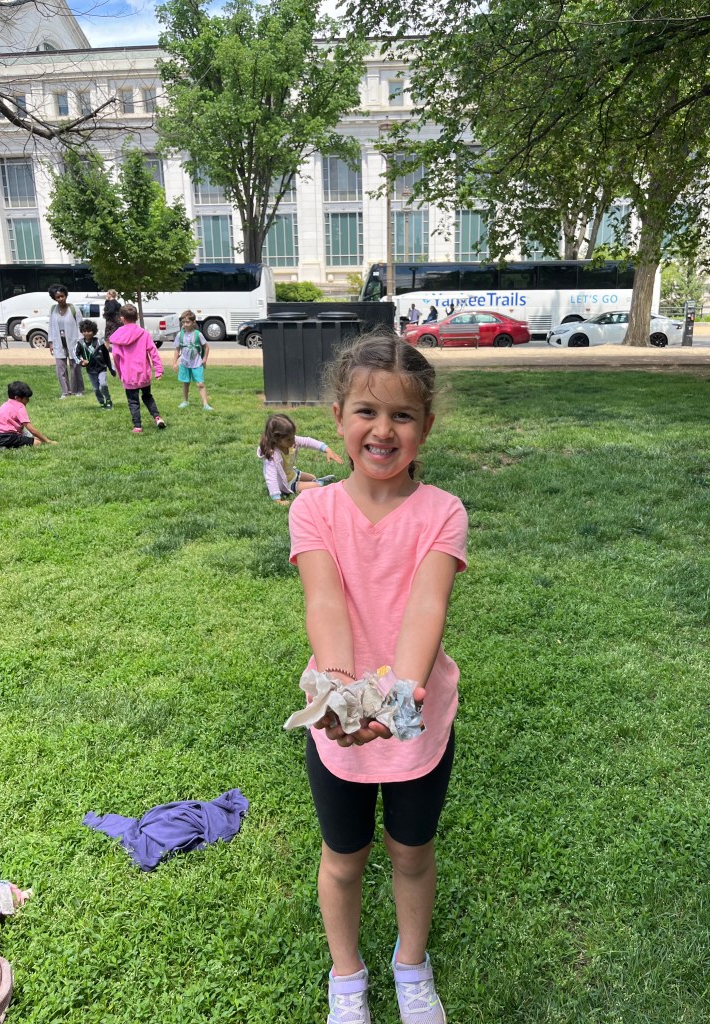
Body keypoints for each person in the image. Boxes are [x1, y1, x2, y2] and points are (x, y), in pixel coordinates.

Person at [288, 333, 467, 1024]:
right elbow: (325, 601)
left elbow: (427, 606)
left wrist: (398, 702)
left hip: (416, 716)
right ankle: (347, 976)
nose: (383, 430)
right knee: (344, 857)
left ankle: (411, 965)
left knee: (410, 853)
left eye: (402, 415)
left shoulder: (443, 511)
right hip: (338, 723)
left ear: (427, 426)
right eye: (367, 411)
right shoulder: (313, 509)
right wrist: (338, 690)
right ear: (338, 418)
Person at [258, 414, 343, 505]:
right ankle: (319, 483)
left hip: (292, 474)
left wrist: (327, 449)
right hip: (286, 483)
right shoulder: (273, 456)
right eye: (289, 439)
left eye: (293, 437)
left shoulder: (291, 441)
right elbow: (271, 477)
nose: (293, 441)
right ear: (276, 439)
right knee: (316, 486)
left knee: (312, 477)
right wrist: (276, 498)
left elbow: (308, 441)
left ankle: (316, 481)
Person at [109, 304, 166, 434]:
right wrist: (158, 370)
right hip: (143, 373)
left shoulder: (118, 336)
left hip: (128, 374)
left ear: (122, 318)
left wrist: (120, 372)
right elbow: (153, 352)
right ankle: (157, 417)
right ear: (137, 317)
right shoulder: (143, 334)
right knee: (147, 396)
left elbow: (116, 357)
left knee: (133, 401)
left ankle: (138, 426)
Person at [48, 285, 84, 399]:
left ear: (66, 295)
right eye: (58, 297)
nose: (60, 299)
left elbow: (80, 327)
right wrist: (50, 342)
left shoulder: (73, 309)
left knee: (75, 366)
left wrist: (81, 342)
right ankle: (65, 391)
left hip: (73, 341)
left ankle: (78, 390)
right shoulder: (53, 310)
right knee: (60, 368)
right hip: (58, 342)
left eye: (62, 296)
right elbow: (51, 326)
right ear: (54, 298)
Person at [173, 310, 212, 411]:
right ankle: (185, 401)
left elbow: (206, 347)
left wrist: (204, 359)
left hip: (197, 363)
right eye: (183, 322)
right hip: (184, 363)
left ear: (193, 322)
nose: (185, 324)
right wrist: (174, 362)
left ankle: (205, 404)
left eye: (187, 322)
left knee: (200, 384)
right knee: (185, 382)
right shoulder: (180, 335)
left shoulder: (198, 334)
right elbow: (177, 349)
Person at [0, 381, 56, 447]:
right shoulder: (19, 407)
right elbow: (31, 429)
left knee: (30, 438)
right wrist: (48, 441)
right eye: (26, 398)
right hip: (9, 437)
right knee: (37, 442)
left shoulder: (5, 405)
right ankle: (3, 446)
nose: (28, 400)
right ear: (17, 398)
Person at [75, 320, 116, 410]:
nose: (87, 333)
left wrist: (111, 368)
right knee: (96, 389)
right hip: (91, 370)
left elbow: (106, 356)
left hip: (101, 368)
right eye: (84, 331)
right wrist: (82, 362)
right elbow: (75, 355)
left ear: (93, 331)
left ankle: (108, 400)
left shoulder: (99, 342)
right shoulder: (80, 343)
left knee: (103, 385)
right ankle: (102, 403)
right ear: (82, 331)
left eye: (89, 331)